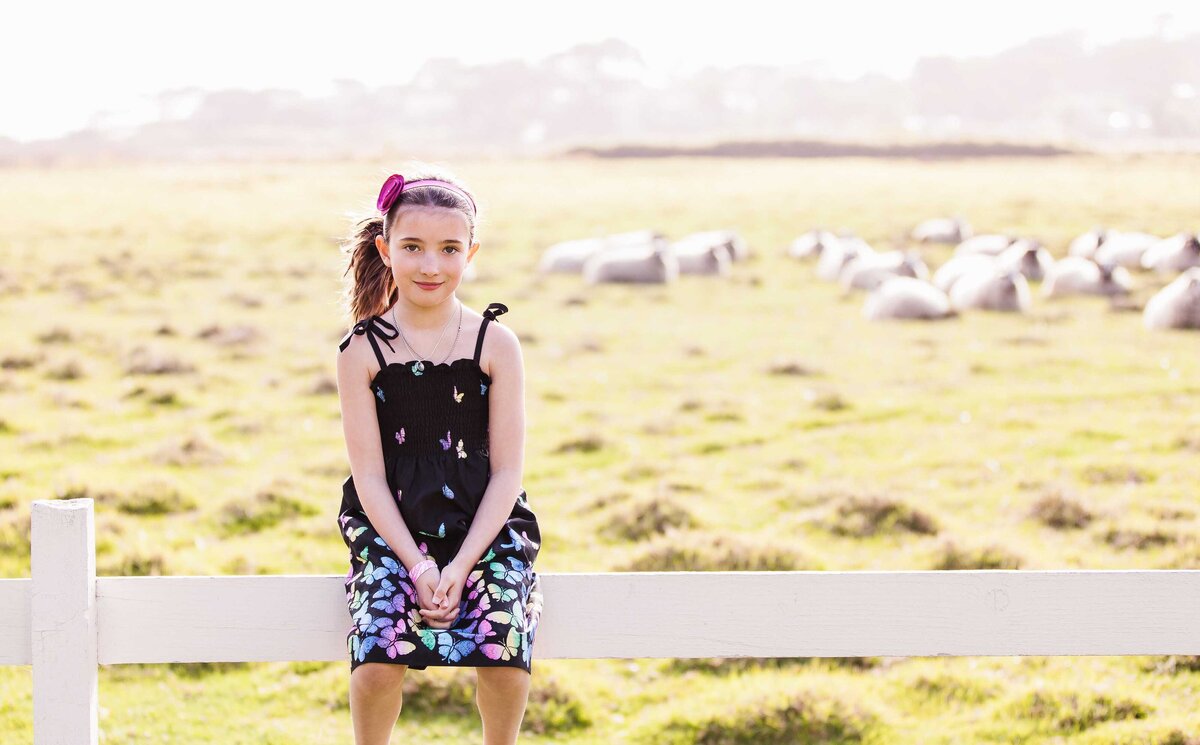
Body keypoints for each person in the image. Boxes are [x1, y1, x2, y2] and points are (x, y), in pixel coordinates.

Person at [334, 166, 544, 745]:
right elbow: (369, 476)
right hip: (390, 527)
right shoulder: (361, 350)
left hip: (487, 525)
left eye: (450, 249)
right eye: (413, 247)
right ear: (385, 249)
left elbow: (507, 473)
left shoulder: (495, 344)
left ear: (471, 252)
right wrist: (420, 565)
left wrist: (459, 566)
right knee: (377, 660)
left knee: (503, 651)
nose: (431, 265)